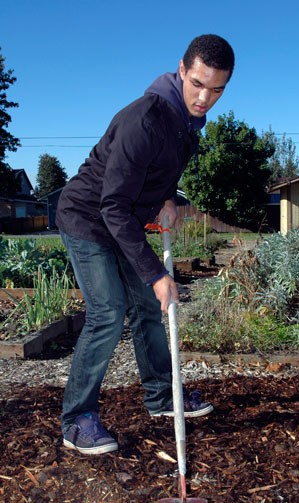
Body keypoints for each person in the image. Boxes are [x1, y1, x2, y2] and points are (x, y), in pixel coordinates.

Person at [56, 34, 235, 455]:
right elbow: (111, 205)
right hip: (88, 218)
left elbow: (161, 176)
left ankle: (161, 397)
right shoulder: (144, 121)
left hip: (123, 223)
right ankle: (76, 419)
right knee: (108, 311)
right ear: (181, 69)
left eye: (216, 89)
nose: (205, 97)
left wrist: (168, 199)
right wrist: (155, 274)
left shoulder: (187, 127)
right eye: (197, 83)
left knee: (153, 309)